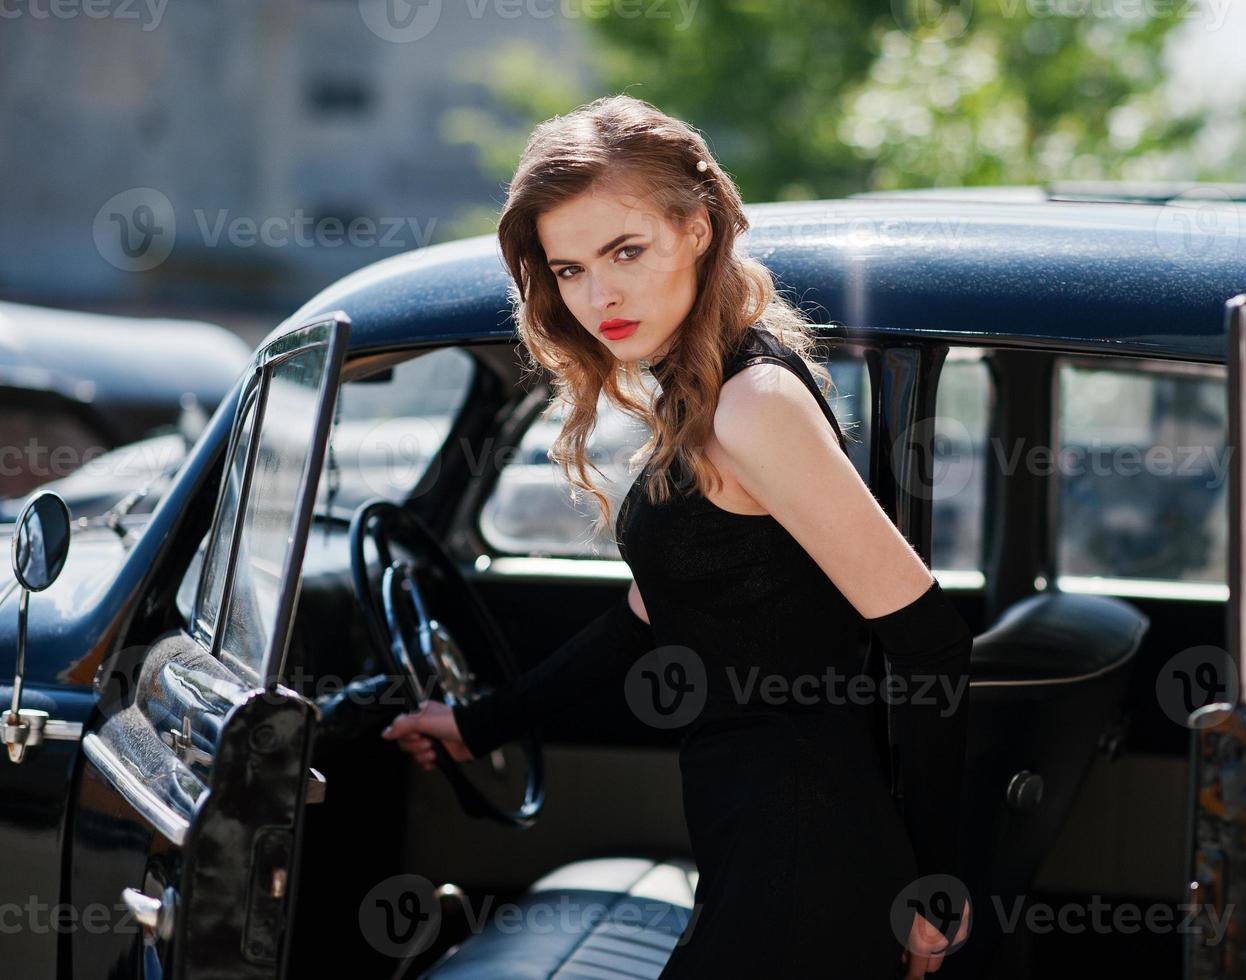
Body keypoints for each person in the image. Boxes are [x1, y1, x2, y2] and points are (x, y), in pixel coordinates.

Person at [381, 94, 974, 979]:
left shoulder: (753, 403)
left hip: (810, 860)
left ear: (697, 229)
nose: (598, 295)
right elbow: (646, 615)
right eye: (569, 269)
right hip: (753, 840)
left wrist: (935, 886)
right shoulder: (703, 389)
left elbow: (928, 642)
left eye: (626, 251)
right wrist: (479, 723)